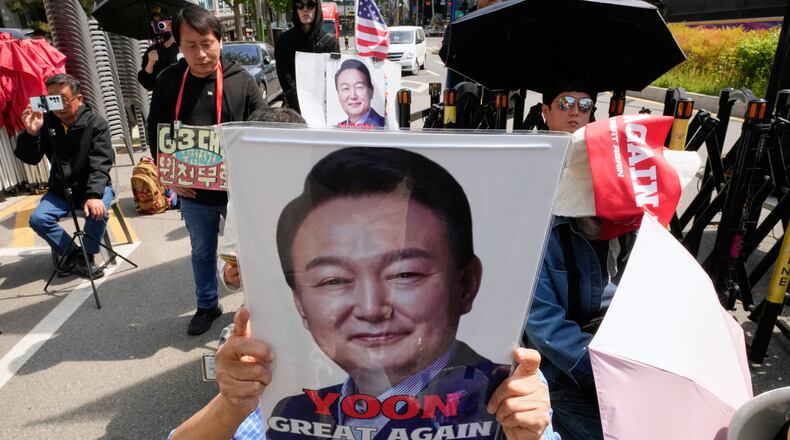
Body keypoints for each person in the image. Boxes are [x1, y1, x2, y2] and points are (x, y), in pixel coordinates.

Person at [265, 147, 557, 439]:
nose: (371, 308)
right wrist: (238, 406)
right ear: (299, 303)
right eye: (333, 280)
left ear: (466, 284)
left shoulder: (510, 401)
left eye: (404, 274)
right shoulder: (292, 414)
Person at [523, 85, 697, 440]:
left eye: (585, 105)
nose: (575, 111)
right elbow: (543, 326)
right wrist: (607, 375)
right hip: (564, 370)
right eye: (565, 103)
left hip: (621, 354)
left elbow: (660, 301)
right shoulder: (540, 228)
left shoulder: (636, 226)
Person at [147, 3, 266, 335]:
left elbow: (263, 128)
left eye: (206, 44)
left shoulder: (241, 81)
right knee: (202, 251)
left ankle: (257, 308)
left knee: (249, 252)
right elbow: (155, 131)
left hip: (238, 192)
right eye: (190, 46)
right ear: (179, 45)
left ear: (220, 40)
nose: (200, 54)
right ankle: (207, 304)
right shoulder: (168, 81)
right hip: (193, 191)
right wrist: (169, 176)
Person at [15, 73, 114, 279]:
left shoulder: (96, 123)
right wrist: (31, 133)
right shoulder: (47, 122)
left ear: (79, 98)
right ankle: (75, 256)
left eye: (63, 99)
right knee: (38, 219)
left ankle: (87, 254)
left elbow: (101, 163)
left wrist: (94, 195)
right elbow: (31, 158)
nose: (58, 106)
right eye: (53, 99)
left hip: (93, 186)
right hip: (61, 189)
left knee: (97, 211)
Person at [275, 0, 340, 113]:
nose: (305, 9)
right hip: (294, 110)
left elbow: (333, 77)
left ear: (317, 8)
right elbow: (285, 79)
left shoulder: (330, 43)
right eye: (299, 5)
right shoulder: (284, 41)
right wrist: (300, 105)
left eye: (310, 5)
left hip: (323, 108)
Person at [438, 0, 499, 89]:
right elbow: (445, 54)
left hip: (501, 91)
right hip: (467, 90)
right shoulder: (461, 24)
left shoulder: (511, 23)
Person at [334, 59, 384, 128]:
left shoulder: (383, 126)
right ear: (338, 94)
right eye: (346, 88)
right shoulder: (337, 129)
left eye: (359, 87)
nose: (353, 96)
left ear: (371, 91)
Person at [137, 11, 181, 91]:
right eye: (155, 24)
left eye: (161, 22)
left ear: (170, 23)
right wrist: (150, 62)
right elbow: (148, 84)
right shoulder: (152, 51)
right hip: (162, 96)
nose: (159, 26)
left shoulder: (182, 47)